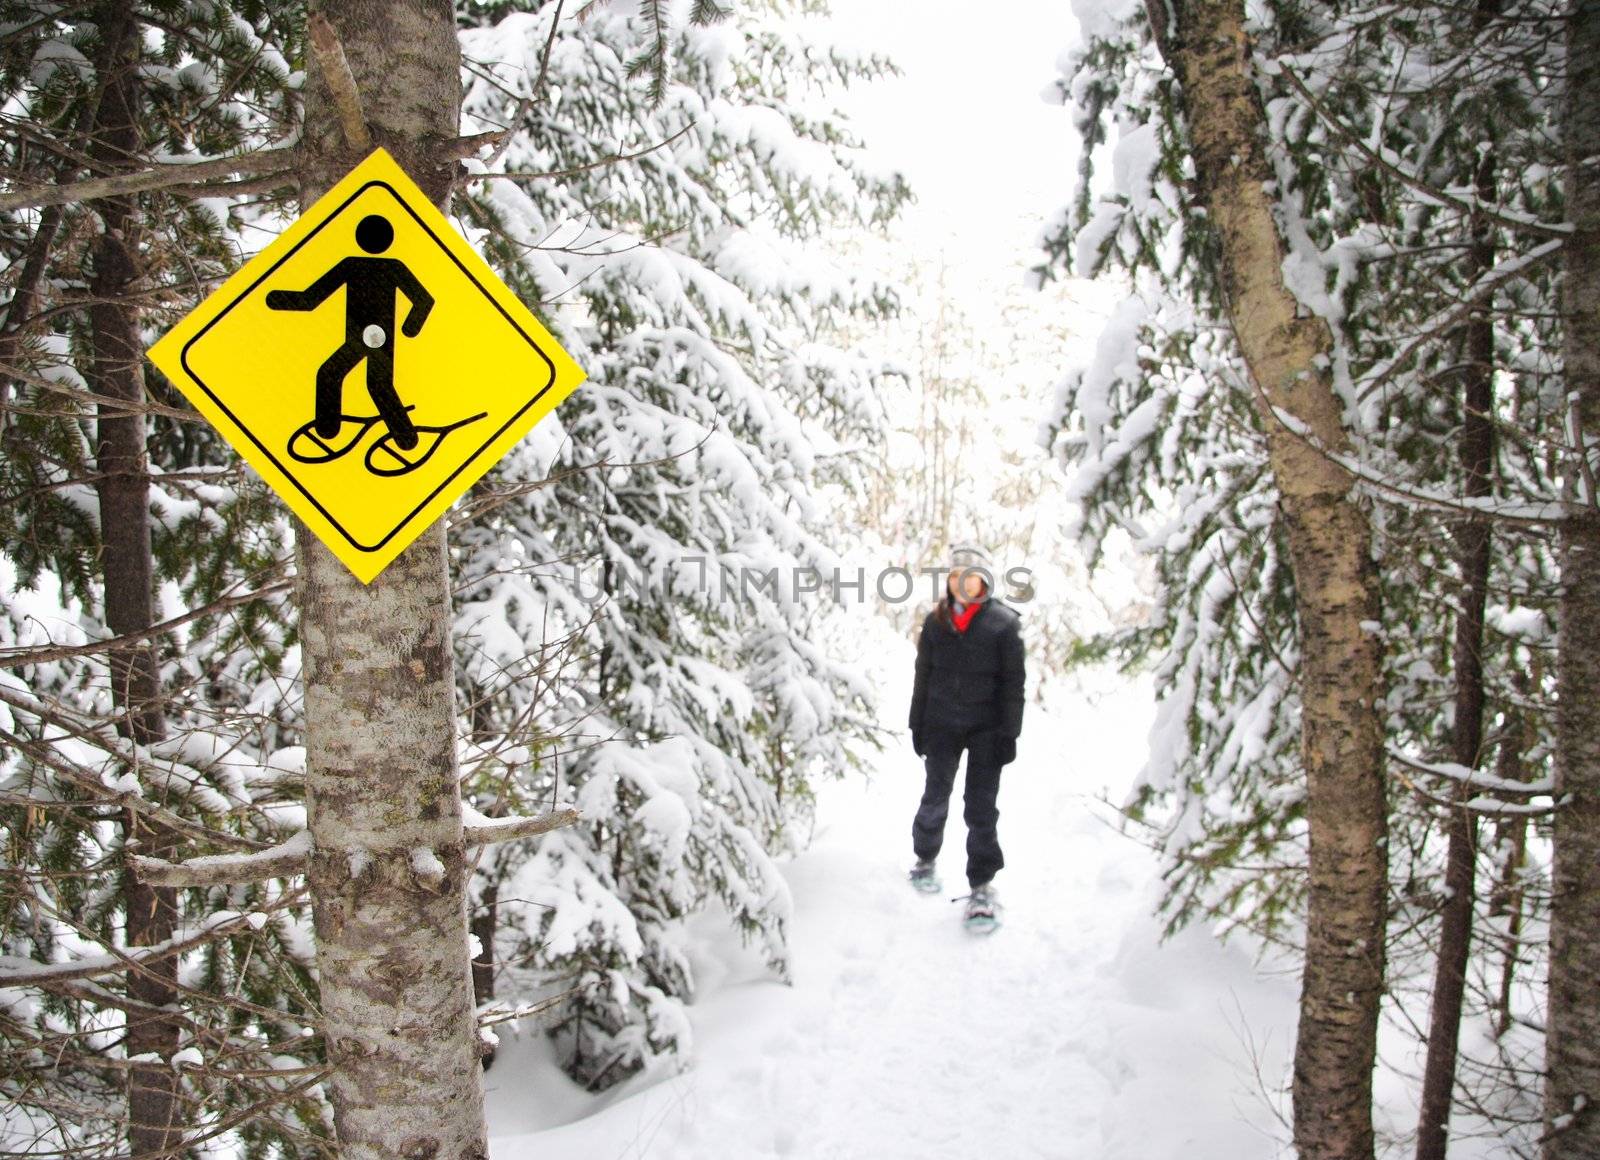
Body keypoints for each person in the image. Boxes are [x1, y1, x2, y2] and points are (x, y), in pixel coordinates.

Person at [906, 544, 1025, 927]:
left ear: (984, 582)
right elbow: (922, 676)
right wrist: (917, 723)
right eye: (956, 578)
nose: (963, 585)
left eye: (970, 578)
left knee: (980, 807)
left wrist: (1010, 732)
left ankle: (982, 886)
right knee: (935, 794)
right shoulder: (936, 623)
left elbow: (1013, 685)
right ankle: (924, 858)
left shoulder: (1003, 624)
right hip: (942, 724)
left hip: (987, 730)